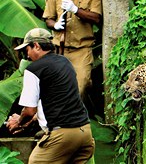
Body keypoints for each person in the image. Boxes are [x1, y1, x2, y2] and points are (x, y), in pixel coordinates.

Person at [6, 28, 95, 163]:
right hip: (85, 134)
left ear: (36, 45)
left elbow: (29, 111)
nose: (28, 56)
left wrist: (18, 123)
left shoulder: (34, 70)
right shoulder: (65, 62)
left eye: (27, 50)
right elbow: (57, 102)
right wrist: (27, 120)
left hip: (62, 136)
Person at [42, 0, 102, 100]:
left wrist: (76, 10)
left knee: (82, 85)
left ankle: (76, 118)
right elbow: (48, 19)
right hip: (60, 49)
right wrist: (56, 25)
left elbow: (96, 17)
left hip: (82, 49)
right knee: (56, 88)